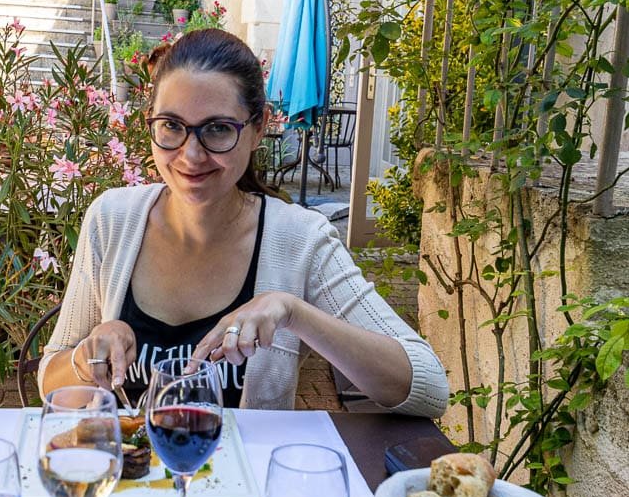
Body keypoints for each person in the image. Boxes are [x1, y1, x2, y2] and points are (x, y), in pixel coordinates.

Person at [39, 29, 449, 415]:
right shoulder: (111, 218)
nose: (191, 155)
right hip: (126, 464)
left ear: (258, 128)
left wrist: (294, 313)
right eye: (172, 126)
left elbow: (429, 388)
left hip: (243, 470)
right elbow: (50, 382)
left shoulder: (300, 239)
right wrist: (84, 359)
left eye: (218, 129)